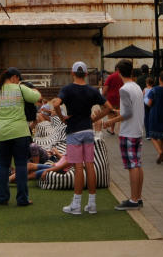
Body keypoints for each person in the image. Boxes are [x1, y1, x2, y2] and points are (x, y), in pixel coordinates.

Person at [47, 61, 116, 215]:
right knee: (89, 165)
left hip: (74, 131)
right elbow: (109, 108)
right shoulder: (92, 91)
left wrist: (62, 117)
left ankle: (76, 205)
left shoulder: (67, 89)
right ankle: (92, 204)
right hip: (88, 130)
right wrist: (94, 119)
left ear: (72, 73)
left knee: (78, 167)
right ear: (86, 74)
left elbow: (56, 104)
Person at [0, 67, 41, 206]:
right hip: (19, 132)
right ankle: (22, 199)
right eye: (19, 79)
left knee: (3, 166)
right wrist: (34, 90)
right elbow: (36, 97)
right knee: (21, 165)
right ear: (14, 77)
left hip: (1, 133)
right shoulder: (20, 88)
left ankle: (2, 198)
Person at [110, 60, 145, 210]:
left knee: (132, 166)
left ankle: (133, 199)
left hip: (128, 131)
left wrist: (110, 121)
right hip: (137, 130)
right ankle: (138, 197)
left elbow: (127, 113)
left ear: (118, 71)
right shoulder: (136, 87)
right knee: (137, 164)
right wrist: (118, 113)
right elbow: (132, 110)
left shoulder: (124, 89)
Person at [101, 61, 122, 135]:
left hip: (111, 99)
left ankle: (112, 130)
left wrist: (102, 97)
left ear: (115, 69)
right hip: (120, 98)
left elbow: (104, 90)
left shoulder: (111, 77)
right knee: (120, 114)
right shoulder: (122, 77)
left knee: (112, 115)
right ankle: (119, 130)